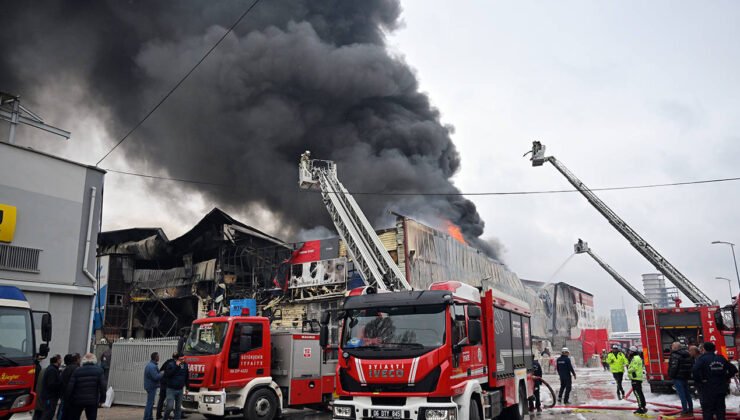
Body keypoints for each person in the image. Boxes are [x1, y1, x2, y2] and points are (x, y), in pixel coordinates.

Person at [693, 342, 737, 420]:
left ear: (704, 349)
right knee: (720, 410)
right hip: (720, 388)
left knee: (708, 411)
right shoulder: (721, 358)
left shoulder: (702, 359)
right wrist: (725, 378)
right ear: (714, 349)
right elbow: (733, 369)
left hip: (707, 389)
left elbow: (695, 370)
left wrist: (700, 381)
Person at [65, 353, 107, 420]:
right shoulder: (99, 371)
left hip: (77, 400)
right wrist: (102, 399)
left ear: (83, 360)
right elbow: (103, 387)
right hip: (92, 401)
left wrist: (68, 399)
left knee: (75, 417)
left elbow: (70, 387)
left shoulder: (77, 371)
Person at [668, 342, 694, 416]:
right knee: (687, 394)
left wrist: (671, 376)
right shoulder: (687, 354)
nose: (671, 347)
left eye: (672, 346)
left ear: (675, 347)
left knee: (681, 394)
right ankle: (690, 409)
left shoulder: (675, 355)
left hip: (677, 378)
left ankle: (684, 410)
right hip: (685, 377)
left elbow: (674, 367)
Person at [163, 353, 189, 420]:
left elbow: (186, 377)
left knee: (178, 408)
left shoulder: (185, 365)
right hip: (171, 389)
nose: (183, 360)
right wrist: (176, 367)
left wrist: (187, 388)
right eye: (181, 359)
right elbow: (168, 375)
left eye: (183, 359)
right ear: (177, 359)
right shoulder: (171, 365)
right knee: (169, 407)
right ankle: (165, 418)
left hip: (180, 390)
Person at [39, 354, 62, 420]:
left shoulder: (52, 369)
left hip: (49, 396)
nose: (61, 361)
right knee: (48, 414)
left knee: (48, 414)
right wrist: (60, 383)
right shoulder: (52, 370)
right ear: (57, 360)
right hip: (50, 397)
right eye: (60, 359)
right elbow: (51, 384)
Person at [58, 354, 80, 420]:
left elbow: (61, 382)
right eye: (79, 359)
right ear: (76, 360)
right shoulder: (76, 369)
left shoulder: (66, 369)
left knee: (64, 414)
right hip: (72, 396)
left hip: (65, 395)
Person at [157, 353, 177, 420]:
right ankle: (168, 415)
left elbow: (160, 371)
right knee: (170, 400)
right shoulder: (175, 364)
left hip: (163, 383)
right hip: (168, 384)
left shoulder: (167, 362)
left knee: (161, 400)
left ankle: (158, 415)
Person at [627, 346, 647, 414]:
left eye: (630, 351)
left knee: (637, 393)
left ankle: (641, 408)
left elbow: (634, 368)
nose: (629, 352)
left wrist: (628, 370)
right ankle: (643, 406)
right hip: (636, 378)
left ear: (632, 352)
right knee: (639, 393)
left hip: (636, 378)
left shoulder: (636, 358)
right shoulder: (636, 357)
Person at [144, 352, 164, 420]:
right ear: (155, 357)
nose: (159, 357)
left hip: (150, 386)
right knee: (150, 404)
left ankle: (149, 417)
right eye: (158, 356)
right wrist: (162, 373)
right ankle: (147, 418)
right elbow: (155, 377)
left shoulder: (151, 365)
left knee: (150, 403)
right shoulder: (152, 366)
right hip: (151, 387)